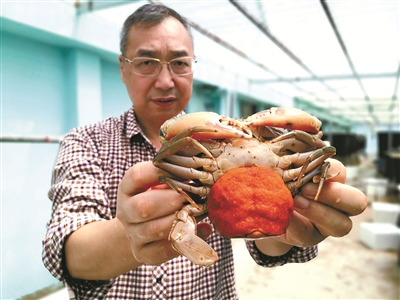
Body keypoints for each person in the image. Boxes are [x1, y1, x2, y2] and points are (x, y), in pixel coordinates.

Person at [42, 3, 367, 299]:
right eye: (146, 62)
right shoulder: (86, 142)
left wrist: (288, 226)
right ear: (123, 68)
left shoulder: (232, 136)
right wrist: (129, 234)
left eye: (179, 63)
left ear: (193, 68)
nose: (166, 80)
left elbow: (264, 241)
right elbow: (64, 248)